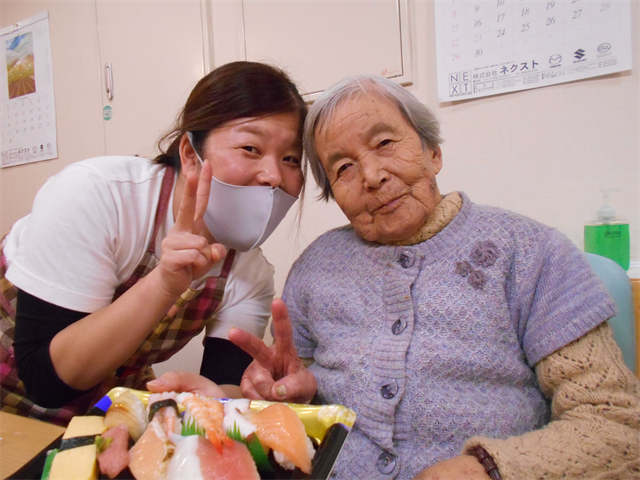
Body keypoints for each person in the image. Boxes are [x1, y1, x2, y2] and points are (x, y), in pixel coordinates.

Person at [153, 74, 640, 480]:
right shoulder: (314, 270)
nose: (370, 175)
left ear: (432, 152)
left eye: (385, 143)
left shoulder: (531, 253)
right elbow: (294, 410)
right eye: (342, 167)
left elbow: (617, 427)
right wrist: (236, 401)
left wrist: (488, 469)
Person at [0, 61, 307, 426]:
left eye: (290, 158)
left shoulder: (250, 273)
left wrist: (255, 399)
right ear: (191, 155)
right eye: (250, 148)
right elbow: (45, 381)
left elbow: (217, 388)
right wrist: (162, 284)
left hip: (101, 414)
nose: (274, 176)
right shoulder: (98, 195)